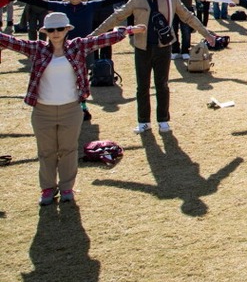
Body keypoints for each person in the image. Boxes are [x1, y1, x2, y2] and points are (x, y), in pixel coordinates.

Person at [0, 11, 143, 205]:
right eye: (51, 30)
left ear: (67, 29)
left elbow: (102, 40)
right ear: (46, 32)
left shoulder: (77, 46)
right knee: (46, 152)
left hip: (71, 109)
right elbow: (11, 41)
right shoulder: (37, 49)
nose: (56, 33)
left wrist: (127, 30)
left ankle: (67, 187)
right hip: (43, 111)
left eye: (60, 28)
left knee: (68, 150)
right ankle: (48, 189)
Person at [92, 0, 219, 134]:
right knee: (142, 86)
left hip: (163, 47)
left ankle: (163, 120)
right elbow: (117, 17)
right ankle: (143, 121)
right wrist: (94, 36)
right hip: (142, 47)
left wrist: (206, 33)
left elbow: (188, 17)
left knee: (162, 85)